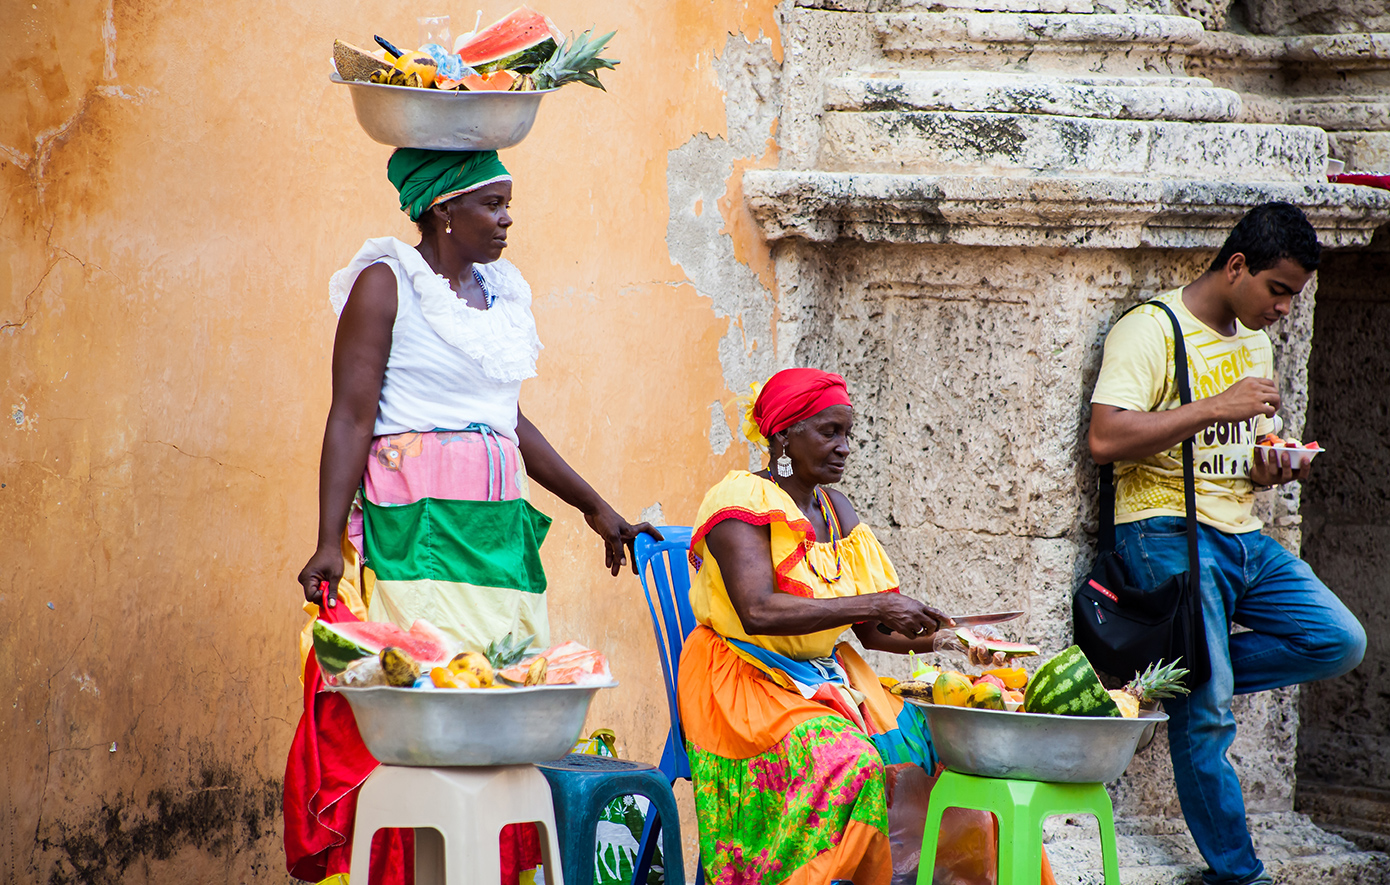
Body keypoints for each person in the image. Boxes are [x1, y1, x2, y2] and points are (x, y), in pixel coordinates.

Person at [284, 148, 659, 885]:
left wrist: (594, 506)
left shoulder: (500, 293)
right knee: (431, 712)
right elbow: (351, 416)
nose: (507, 218)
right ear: (443, 210)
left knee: (497, 708)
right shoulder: (387, 282)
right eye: (492, 204)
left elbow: (507, 421)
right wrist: (329, 538)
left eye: (508, 202)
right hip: (413, 532)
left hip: (499, 539)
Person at [677, 368, 1052, 885]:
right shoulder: (740, 502)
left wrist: (953, 640)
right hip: (745, 680)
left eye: (848, 433)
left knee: (943, 745)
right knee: (850, 762)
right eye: (829, 432)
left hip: (824, 677)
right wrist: (876, 601)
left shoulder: (836, 508)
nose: (845, 447)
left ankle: (936, 876)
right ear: (784, 435)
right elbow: (758, 611)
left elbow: (873, 631)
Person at [1088, 201, 1366, 885]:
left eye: (1292, 296)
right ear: (1236, 265)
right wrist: (1216, 405)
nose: (1283, 310)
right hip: (1166, 530)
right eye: (1277, 290)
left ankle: (1186, 675)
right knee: (1208, 715)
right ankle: (1240, 874)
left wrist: (1269, 463)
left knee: (1338, 639)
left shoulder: (1254, 339)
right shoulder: (1152, 329)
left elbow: (1239, 448)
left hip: (1243, 532)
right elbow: (1105, 438)